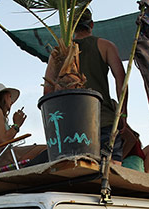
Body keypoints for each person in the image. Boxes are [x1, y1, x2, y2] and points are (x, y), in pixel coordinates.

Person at [43, 8, 127, 163]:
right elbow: (121, 79)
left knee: (78, 177)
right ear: (92, 24)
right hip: (103, 119)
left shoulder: (57, 53)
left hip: (70, 129)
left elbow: (47, 91)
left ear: (72, 27)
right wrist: (122, 112)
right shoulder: (105, 46)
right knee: (112, 172)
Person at [0, 83, 47, 170]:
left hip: (4, 155)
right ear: (2, 97)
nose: (12, 101)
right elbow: (4, 140)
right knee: (48, 150)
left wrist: (16, 124)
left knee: (46, 150)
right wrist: (17, 124)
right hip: (2, 158)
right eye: (9, 97)